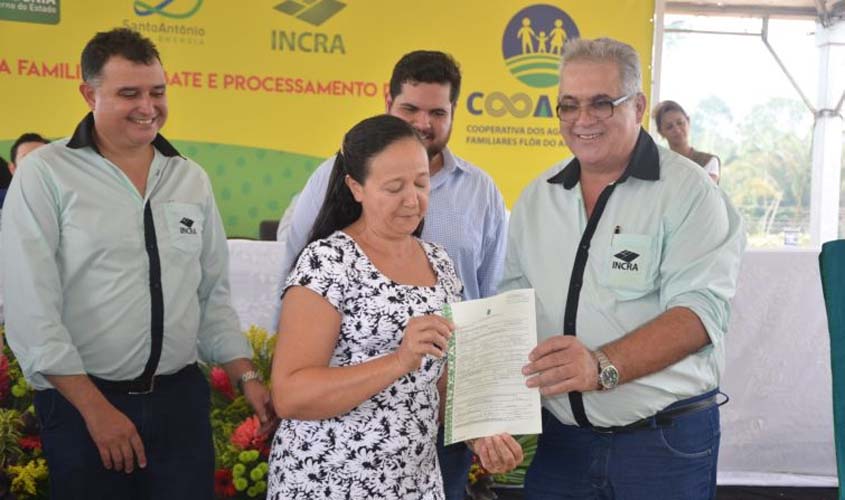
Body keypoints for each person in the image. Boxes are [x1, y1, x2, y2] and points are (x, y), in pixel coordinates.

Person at [1, 28, 274, 500]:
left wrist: (246, 375)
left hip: (179, 403)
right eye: (129, 93)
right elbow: (31, 309)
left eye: (157, 91)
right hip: (83, 401)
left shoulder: (189, 177)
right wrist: (94, 410)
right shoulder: (46, 175)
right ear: (89, 94)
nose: (148, 107)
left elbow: (211, 295)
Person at [492, 37, 746, 499]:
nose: (582, 119)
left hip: (661, 444)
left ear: (639, 105)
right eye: (568, 105)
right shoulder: (536, 199)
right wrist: (487, 413)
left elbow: (700, 313)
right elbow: (512, 312)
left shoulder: (689, 191)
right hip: (562, 444)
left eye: (601, 103)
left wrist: (600, 366)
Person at [275, 49, 509, 499]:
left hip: (415, 480)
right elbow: (290, 394)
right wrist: (399, 361)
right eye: (393, 187)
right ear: (356, 187)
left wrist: (481, 434)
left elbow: (442, 379)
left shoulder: (440, 263)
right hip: (331, 479)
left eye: (421, 184)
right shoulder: (327, 261)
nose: (412, 200)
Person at [653, 100, 721, 183]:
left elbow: (706, 194)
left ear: (688, 121)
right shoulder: (657, 166)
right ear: (661, 132)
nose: (677, 130)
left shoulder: (708, 161)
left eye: (680, 123)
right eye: (669, 127)